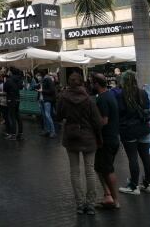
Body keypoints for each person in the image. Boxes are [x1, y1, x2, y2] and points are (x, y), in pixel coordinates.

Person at [56, 73, 103, 216]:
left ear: (69, 83)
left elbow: (58, 115)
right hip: (88, 137)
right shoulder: (89, 99)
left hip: (71, 136)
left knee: (74, 172)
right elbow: (97, 121)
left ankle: (80, 203)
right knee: (90, 171)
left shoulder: (63, 98)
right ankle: (90, 204)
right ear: (82, 83)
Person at [117, 70, 150, 194]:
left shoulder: (121, 94)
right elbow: (147, 108)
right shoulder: (142, 93)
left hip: (129, 130)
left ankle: (133, 186)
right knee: (146, 157)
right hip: (143, 128)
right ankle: (147, 184)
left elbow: (120, 112)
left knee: (133, 158)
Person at [93, 73, 121, 209]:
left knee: (108, 170)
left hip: (107, 139)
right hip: (112, 137)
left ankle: (114, 199)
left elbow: (104, 120)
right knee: (99, 167)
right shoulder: (110, 95)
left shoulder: (103, 99)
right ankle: (107, 195)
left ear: (96, 84)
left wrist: (92, 124)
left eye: (93, 83)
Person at [3, 67, 23, 140]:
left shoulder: (9, 79)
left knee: (12, 117)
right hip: (17, 99)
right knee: (18, 116)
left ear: (11, 72)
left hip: (11, 99)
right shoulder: (19, 79)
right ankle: (20, 133)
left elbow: (5, 89)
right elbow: (21, 87)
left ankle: (13, 134)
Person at [40, 72, 57, 138]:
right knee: (45, 116)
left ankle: (52, 131)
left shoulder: (48, 80)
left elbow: (51, 91)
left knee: (47, 115)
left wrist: (42, 91)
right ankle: (47, 130)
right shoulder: (44, 81)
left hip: (47, 100)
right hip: (43, 100)